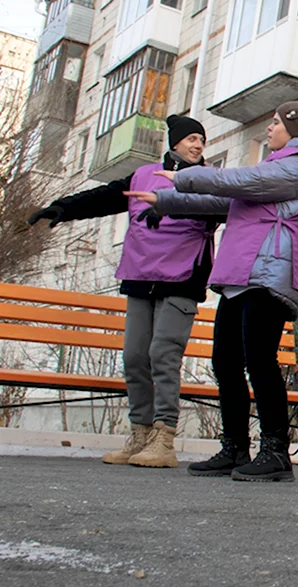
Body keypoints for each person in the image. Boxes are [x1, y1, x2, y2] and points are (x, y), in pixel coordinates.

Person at [128, 103, 298, 483]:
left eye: (275, 123)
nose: (270, 128)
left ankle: (275, 451)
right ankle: (235, 447)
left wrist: (185, 178)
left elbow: (241, 182)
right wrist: (166, 200)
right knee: (225, 362)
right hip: (241, 272)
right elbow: (223, 201)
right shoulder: (277, 166)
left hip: (270, 270)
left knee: (259, 361)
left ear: (297, 127)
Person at [28, 115, 219, 469]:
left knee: (163, 354)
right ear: (174, 142)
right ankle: (140, 435)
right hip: (140, 274)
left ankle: (164, 439)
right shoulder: (142, 175)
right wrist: (64, 208)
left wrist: (167, 200)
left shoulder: (208, 179)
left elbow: (220, 209)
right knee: (134, 357)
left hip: (182, 278)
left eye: (201, 140)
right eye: (191, 138)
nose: (198, 145)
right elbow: (104, 197)